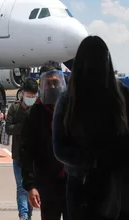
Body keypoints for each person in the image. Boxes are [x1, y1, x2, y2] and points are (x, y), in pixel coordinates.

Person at [52, 36, 129, 220]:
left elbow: (59, 148)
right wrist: (99, 159)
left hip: (98, 186)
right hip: (97, 186)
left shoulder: (68, 99)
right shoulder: (122, 95)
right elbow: (59, 148)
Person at [21, 64, 68, 220]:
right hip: (48, 183)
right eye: (48, 83)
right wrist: (30, 185)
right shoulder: (33, 114)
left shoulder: (71, 108)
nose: (53, 86)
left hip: (72, 181)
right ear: (41, 84)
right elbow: (26, 152)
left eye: (56, 82)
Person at [5, 78, 38, 220]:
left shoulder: (37, 109)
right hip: (18, 155)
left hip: (34, 157)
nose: (30, 99)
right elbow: (8, 128)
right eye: (28, 96)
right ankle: (23, 215)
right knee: (21, 187)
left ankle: (28, 214)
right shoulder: (14, 108)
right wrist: (23, 126)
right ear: (22, 93)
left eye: (33, 96)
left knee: (30, 187)